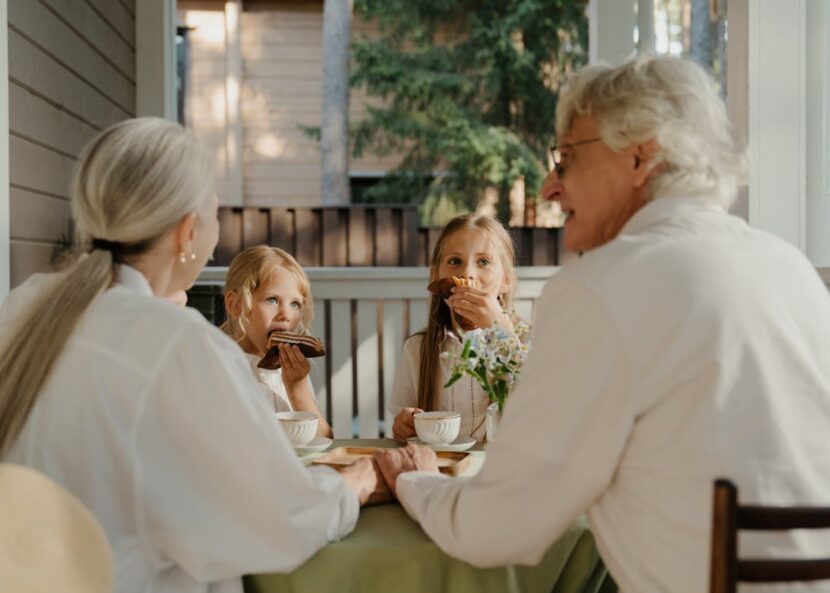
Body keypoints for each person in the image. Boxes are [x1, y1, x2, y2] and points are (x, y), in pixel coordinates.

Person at [374, 56, 830, 593]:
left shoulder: (601, 288)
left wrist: (415, 479)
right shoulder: (790, 269)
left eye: (565, 159)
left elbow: (496, 527)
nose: (549, 187)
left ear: (641, 156)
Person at [0, 118, 384, 593]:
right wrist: (359, 483)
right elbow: (277, 523)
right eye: (216, 213)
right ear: (188, 233)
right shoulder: (179, 344)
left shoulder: (21, 306)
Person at [388, 214, 518, 442]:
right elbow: (401, 428)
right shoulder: (417, 349)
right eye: (455, 261)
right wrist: (403, 425)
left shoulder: (526, 344)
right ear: (435, 276)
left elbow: (539, 413)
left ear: (506, 281)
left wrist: (501, 332)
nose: (466, 274)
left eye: (484, 262)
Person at [221, 245, 332, 437]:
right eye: (272, 300)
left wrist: (297, 387)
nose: (286, 314)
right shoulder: (220, 364)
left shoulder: (291, 369)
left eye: (295, 304)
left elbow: (324, 440)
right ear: (235, 304)